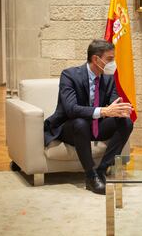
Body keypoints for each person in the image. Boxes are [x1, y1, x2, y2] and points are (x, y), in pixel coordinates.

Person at [44, 39, 133, 195]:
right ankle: (90, 176)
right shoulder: (69, 75)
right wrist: (103, 111)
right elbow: (71, 109)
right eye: (110, 59)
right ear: (95, 59)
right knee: (80, 123)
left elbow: (113, 104)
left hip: (96, 126)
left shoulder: (109, 79)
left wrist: (121, 110)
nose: (113, 64)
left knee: (126, 123)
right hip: (70, 128)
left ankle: (102, 169)